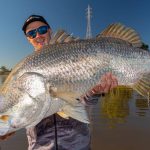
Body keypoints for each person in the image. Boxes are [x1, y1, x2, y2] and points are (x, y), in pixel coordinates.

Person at [0, 15, 118, 149]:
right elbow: (16, 109)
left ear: (50, 31)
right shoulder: (24, 68)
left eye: (42, 29)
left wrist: (96, 91)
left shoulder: (74, 54)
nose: (38, 35)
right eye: (31, 33)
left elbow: (85, 101)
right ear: (28, 38)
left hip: (77, 146)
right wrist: (7, 128)